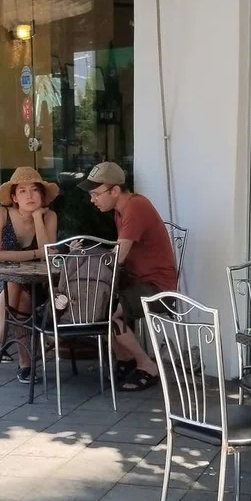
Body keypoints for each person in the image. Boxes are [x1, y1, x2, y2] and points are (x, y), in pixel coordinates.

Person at [79, 161, 178, 392]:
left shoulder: (135, 207)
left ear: (114, 190)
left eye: (96, 194)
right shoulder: (120, 211)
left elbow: (118, 257)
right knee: (97, 307)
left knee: (107, 311)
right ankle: (125, 361)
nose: (92, 200)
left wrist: (85, 262)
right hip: (137, 282)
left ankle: (147, 366)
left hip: (158, 287)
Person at [0, 166, 59, 384]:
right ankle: (22, 362)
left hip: (35, 282)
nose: (29, 195)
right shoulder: (0, 214)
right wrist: (35, 254)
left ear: (42, 194)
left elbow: (47, 256)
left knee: (21, 291)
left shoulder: (49, 216)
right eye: (22, 191)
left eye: (34, 190)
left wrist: (37, 219)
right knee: (14, 284)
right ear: (14, 197)